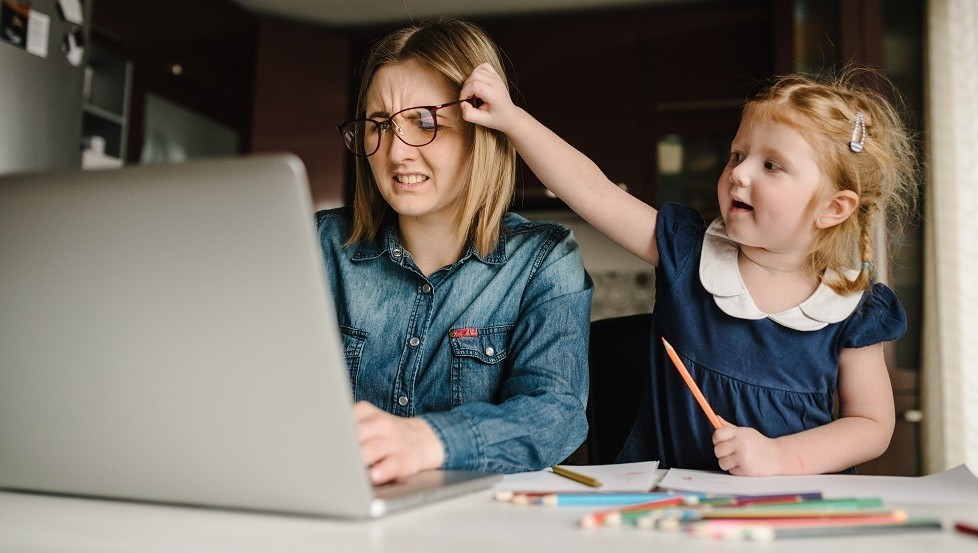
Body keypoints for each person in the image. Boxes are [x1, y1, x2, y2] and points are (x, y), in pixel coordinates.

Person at [462, 64, 919, 475]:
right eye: (738, 155)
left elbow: (870, 426)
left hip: (790, 512)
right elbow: (593, 192)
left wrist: (780, 458)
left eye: (772, 165)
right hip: (669, 504)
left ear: (833, 208)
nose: (739, 174)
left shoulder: (853, 307)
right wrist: (512, 120)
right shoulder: (687, 250)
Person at [317, 19, 593, 485]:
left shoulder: (543, 261)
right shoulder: (321, 246)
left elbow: (555, 416)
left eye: (425, 122)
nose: (396, 152)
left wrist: (428, 441)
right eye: (380, 125)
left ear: (480, 131)